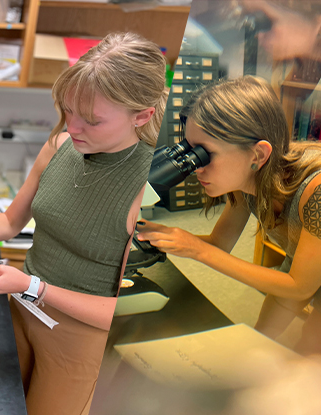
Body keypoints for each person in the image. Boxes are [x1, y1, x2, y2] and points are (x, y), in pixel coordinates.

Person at [0, 32, 166, 414]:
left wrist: (33, 285)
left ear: (142, 116)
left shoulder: (146, 189)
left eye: (92, 120)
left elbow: (117, 307)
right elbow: (11, 221)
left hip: (78, 339)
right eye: (68, 111)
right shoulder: (61, 145)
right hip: (22, 308)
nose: (73, 127)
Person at [137, 76, 321, 354]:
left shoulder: (316, 191)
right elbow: (219, 245)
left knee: (310, 355)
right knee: (258, 347)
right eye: (189, 150)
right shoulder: (253, 178)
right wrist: (157, 236)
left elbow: (298, 287)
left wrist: (197, 250)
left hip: (306, 280)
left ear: (257, 154)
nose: (196, 167)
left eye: (205, 153)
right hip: (306, 272)